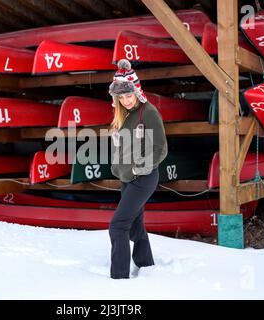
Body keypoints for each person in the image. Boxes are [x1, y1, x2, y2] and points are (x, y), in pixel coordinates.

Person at [108, 59, 168, 279]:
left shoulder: (148, 112)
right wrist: (119, 167)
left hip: (143, 178)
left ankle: (119, 278)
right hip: (127, 178)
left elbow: (160, 148)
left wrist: (135, 169)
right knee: (135, 227)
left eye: (128, 95)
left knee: (118, 226)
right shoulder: (123, 114)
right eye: (120, 97)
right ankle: (146, 263)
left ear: (137, 91)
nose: (125, 101)